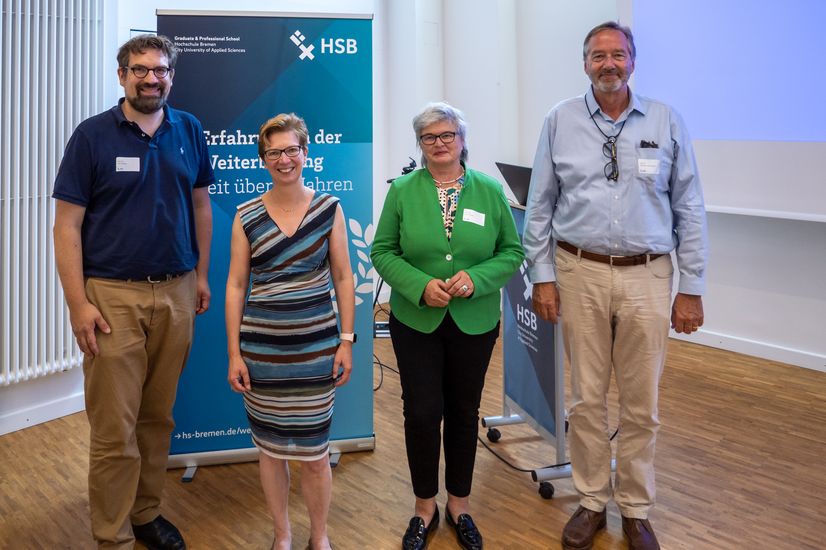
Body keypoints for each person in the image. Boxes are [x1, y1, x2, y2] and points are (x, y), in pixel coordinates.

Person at [523, 21, 708, 550]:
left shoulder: (666, 120)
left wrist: (691, 285)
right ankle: (589, 501)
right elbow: (540, 206)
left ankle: (636, 508)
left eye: (618, 55)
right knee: (585, 399)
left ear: (633, 61)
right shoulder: (560, 120)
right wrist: (543, 277)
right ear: (585, 63)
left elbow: (689, 206)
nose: (609, 64)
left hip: (649, 274)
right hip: (578, 270)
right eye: (598, 56)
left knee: (641, 402)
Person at [52, 35, 214, 549]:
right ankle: (113, 534)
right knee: (114, 427)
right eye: (140, 69)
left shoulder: (188, 128)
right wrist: (78, 303)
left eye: (161, 70)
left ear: (172, 76)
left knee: (156, 418)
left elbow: (201, 207)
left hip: (177, 291)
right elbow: (66, 226)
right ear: (122, 75)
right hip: (111, 299)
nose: (152, 78)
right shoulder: (93, 136)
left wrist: (202, 276)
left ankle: (146, 514)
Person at [371, 102, 524, 550]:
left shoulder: (490, 190)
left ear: (462, 141)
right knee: (421, 413)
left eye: (447, 136)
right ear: (420, 145)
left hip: (474, 321)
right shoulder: (402, 190)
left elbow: (512, 253)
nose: (439, 144)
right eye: (429, 137)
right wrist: (419, 285)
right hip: (415, 319)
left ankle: (460, 503)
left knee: (461, 412)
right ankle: (424, 507)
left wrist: (476, 279)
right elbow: (383, 251)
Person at [225, 113, 355, 550]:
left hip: (317, 351)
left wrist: (347, 342)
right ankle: (282, 535)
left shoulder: (329, 209)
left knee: (316, 457)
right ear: (263, 159)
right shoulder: (244, 215)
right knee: (270, 452)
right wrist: (234, 355)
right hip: (263, 356)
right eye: (274, 152)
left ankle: (319, 536)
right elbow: (236, 285)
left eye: (292, 150)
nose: (284, 159)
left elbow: (343, 278)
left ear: (306, 153)